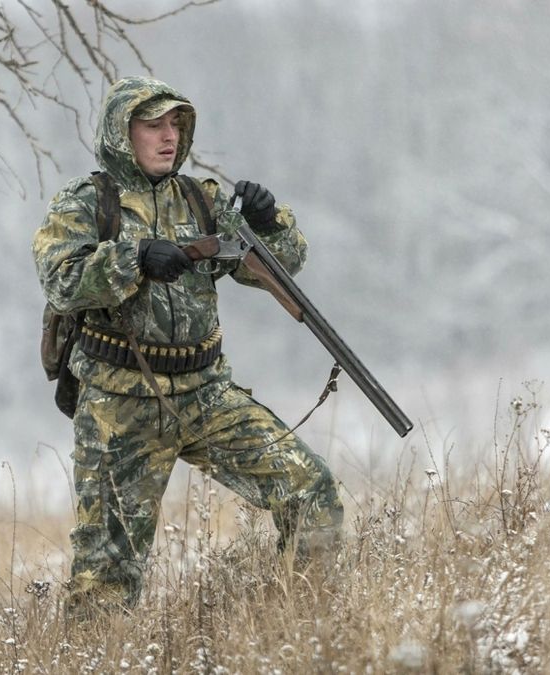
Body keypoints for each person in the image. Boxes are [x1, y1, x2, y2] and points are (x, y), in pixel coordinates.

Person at [32, 76, 343, 618]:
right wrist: (134, 258)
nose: (168, 136)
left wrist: (270, 223)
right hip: (118, 405)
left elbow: (282, 269)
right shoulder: (85, 203)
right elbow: (61, 278)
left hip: (206, 393)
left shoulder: (203, 201)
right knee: (105, 583)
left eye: (175, 124)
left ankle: (304, 628)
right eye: (153, 125)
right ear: (120, 133)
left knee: (310, 492)